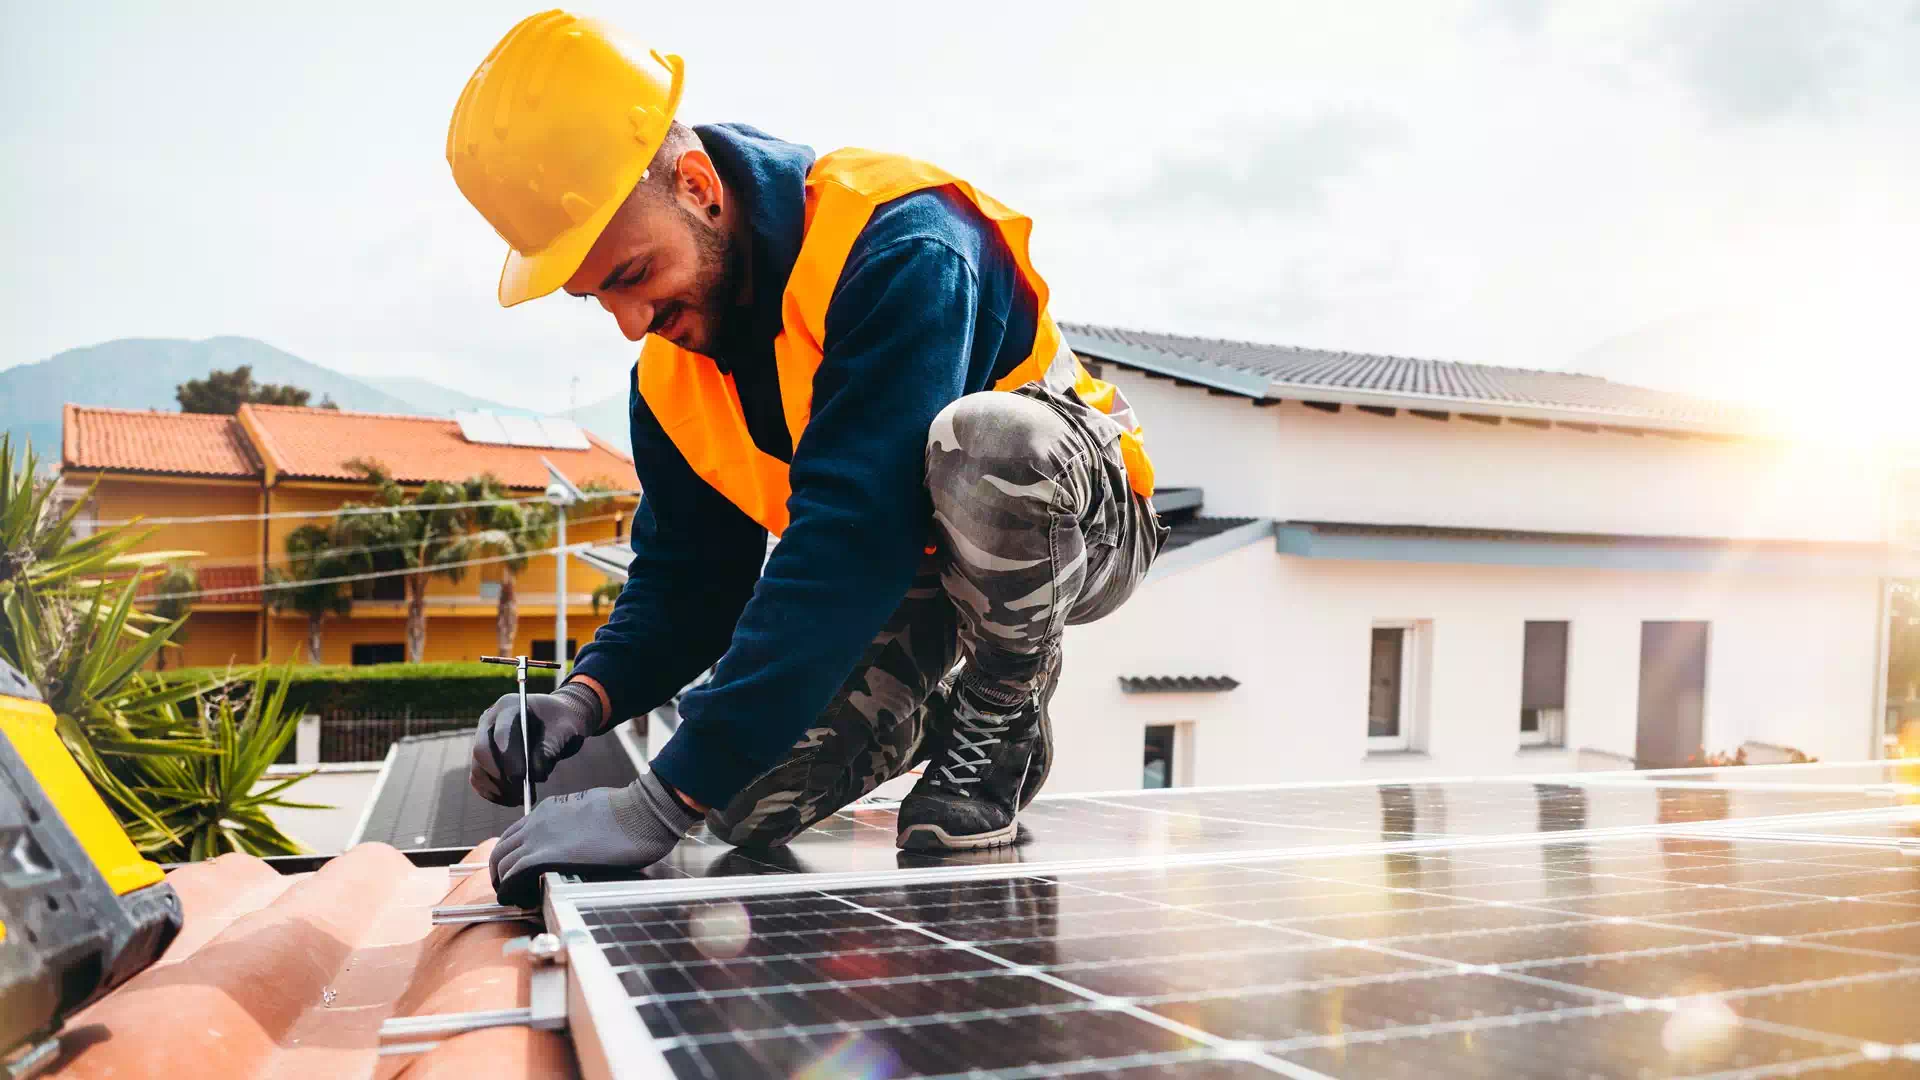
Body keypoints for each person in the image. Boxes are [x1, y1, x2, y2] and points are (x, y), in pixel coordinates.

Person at [449, 11, 1164, 906]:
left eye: (630, 274)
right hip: (915, 566)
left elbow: (849, 539)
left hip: (1073, 520)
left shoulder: (901, 242)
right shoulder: (671, 376)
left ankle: (1002, 705)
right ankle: (937, 705)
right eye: (598, 300)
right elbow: (687, 582)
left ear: (700, 186)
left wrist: (653, 807)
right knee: (741, 801)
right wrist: (586, 698)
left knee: (984, 443)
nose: (631, 323)